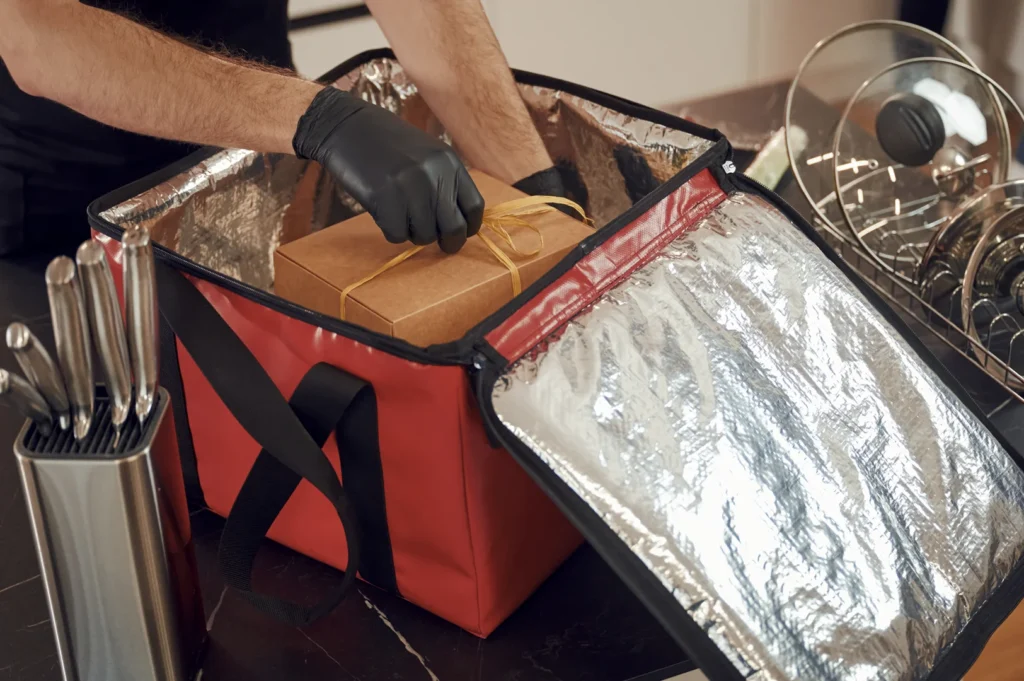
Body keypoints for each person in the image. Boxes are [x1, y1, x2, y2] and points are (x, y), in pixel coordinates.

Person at [0, 0, 558, 256]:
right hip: (58, 211)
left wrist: (535, 189)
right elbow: (36, 31)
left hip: (261, 154)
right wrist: (320, 118)